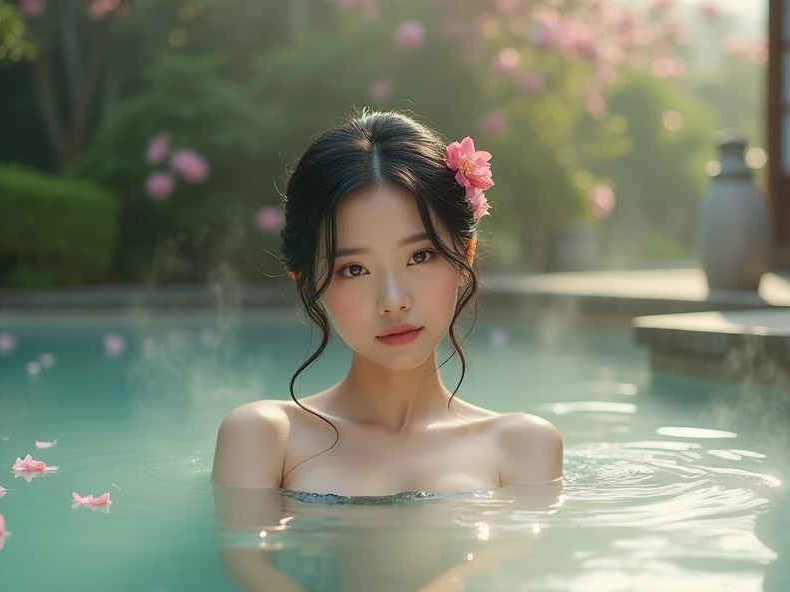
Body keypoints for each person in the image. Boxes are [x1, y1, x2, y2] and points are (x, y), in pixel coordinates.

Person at [211, 110, 563, 590]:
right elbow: (249, 564)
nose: (393, 298)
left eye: (420, 256)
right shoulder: (264, 437)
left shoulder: (524, 445)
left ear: (466, 256)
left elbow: (513, 561)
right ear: (306, 283)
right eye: (354, 269)